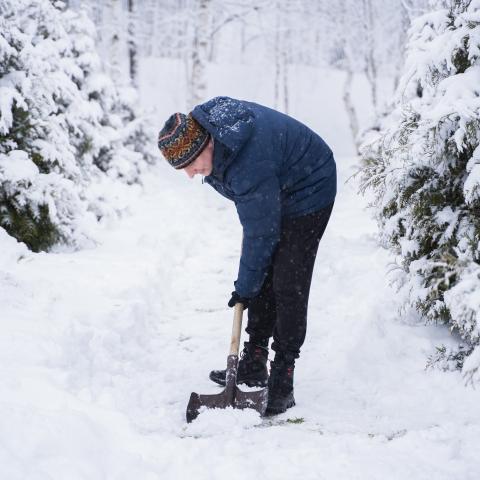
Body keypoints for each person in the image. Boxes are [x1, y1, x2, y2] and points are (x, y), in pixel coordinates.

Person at [158, 96, 336, 415]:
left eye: (189, 165)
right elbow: (259, 225)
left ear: (205, 146)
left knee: (288, 281)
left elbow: (260, 231)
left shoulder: (247, 161)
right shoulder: (216, 143)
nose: (189, 175)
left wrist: (245, 287)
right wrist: (251, 283)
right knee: (263, 273)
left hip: (311, 186)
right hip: (277, 185)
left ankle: (284, 375)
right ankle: (254, 362)